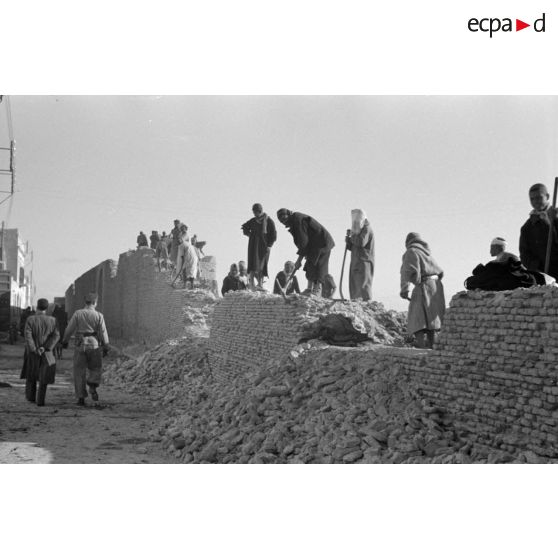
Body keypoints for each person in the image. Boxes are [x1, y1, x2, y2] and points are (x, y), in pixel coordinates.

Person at [62, 292, 110, 406]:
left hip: (80, 344)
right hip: (94, 345)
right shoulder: (99, 315)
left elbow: (69, 329)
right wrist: (106, 347)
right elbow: (103, 332)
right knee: (95, 368)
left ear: (85, 302)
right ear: (95, 302)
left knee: (79, 371)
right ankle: (92, 385)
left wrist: (64, 341)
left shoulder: (78, 313)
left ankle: (80, 398)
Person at [400, 232, 445, 349]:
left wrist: (404, 289)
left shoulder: (411, 252)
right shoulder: (427, 254)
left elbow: (406, 271)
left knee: (417, 317)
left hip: (424, 285)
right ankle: (432, 346)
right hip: (436, 286)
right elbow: (440, 272)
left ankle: (421, 346)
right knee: (431, 320)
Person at [276, 208, 335, 296]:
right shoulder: (293, 223)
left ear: (288, 215)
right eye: (281, 221)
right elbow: (302, 243)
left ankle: (317, 288)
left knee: (319, 265)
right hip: (313, 245)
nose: (283, 222)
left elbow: (303, 241)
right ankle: (309, 288)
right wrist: (304, 255)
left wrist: (299, 260)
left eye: (284, 219)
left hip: (322, 244)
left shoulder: (298, 220)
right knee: (309, 264)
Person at [21, 298, 60, 406]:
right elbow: (56, 335)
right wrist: (46, 347)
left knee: (31, 374)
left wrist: (34, 349)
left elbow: (27, 336)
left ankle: (31, 397)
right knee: (44, 376)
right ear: (46, 308)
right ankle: (41, 400)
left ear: (37, 306)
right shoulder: (53, 320)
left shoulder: (30, 319)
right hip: (46, 353)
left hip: (32, 353)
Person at [519, 183, 558, 280]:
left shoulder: (556, 216)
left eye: (539, 197)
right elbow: (524, 254)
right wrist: (536, 267)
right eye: (532, 199)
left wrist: (555, 220)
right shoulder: (527, 227)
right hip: (543, 276)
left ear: (547, 196)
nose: (535, 201)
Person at [242, 203, 277, 288]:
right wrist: (250, 234)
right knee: (252, 263)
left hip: (264, 246)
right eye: (253, 212)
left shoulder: (269, 221)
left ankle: (260, 284)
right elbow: (245, 227)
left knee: (262, 265)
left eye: (256, 212)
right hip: (253, 245)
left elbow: (273, 235)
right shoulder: (253, 221)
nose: (254, 214)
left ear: (260, 211)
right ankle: (252, 284)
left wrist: (269, 245)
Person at [346, 209, 375, 300]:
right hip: (356, 261)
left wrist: (352, 237)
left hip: (363, 262)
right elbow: (354, 247)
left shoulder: (366, 229)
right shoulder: (359, 230)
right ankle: (356, 302)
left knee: (363, 285)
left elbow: (361, 242)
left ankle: (365, 304)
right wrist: (349, 241)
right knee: (354, 284)